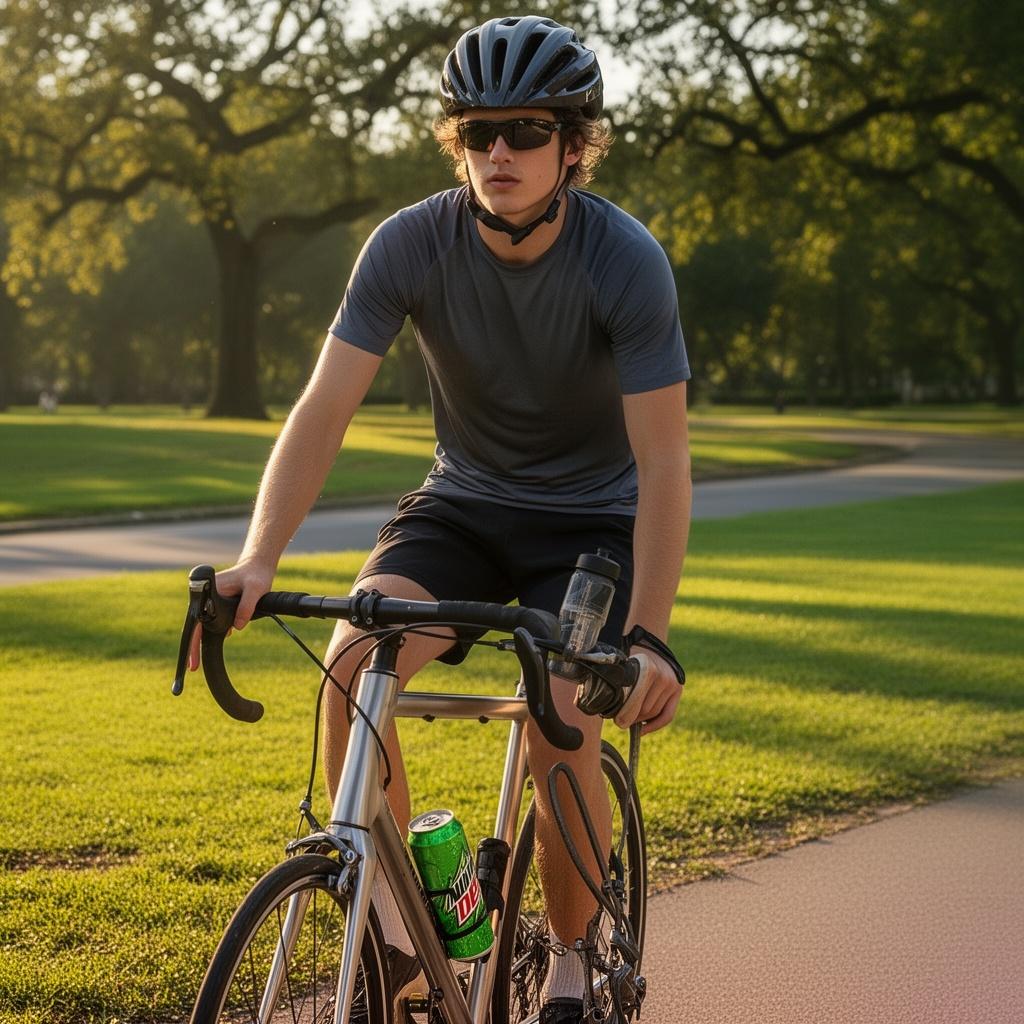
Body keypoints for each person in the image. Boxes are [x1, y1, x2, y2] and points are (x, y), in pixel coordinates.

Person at [190, 15, 691, 1024]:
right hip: (461, 503)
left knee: (561, 712)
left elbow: (664, 461)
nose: (498, 152)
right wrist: (257, 558)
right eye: (476, 132)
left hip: (589, 524)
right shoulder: (409, 242)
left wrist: (647, 637)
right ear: (455, 141)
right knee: (350, 669)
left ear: (573, 145)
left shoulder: (623, 259)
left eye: (525, 130)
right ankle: (402, 938)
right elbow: (323, 408)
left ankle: (567, 962)